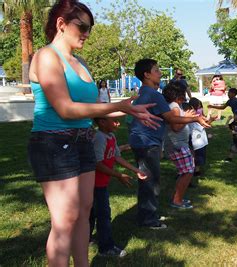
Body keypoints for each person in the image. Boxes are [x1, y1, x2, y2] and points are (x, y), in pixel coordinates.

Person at [27, 1, 158, 266]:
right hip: (53, 143)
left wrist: (129, 111)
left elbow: (94, 109)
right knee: (64, 220)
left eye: (90, 28)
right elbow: (65, 108)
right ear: (61, 25)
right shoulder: (46, 56)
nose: (87, 33)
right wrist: (116, 105)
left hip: (83, 140)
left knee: (84, 212)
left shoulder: (80, 62)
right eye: (82, 27)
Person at [129, 59, 210, 225]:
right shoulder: (153, 94)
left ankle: (147, 215)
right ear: (147, 75)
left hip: (142, 141)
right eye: (157, 70)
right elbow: (172, 118)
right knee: (150, 181)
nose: (160, 73)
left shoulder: (143, 93)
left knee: (147, 179)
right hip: (147, 143)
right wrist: (195, 119)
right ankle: (149, 219)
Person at [89, 113, 147, 258]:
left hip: (101, 183)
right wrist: (119, 175)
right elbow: (97, 164)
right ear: (102, 122)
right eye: (114, 121)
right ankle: (106, 248)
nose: (118, 124)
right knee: (103, 215)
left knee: (92, 213)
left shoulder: (110, 136)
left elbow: (116, 156)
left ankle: (86, 239)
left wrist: (136, 170)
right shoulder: (99, 138)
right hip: (94, 184)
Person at [162, 82, 197, 209]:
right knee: (187, 172)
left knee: (186, 171)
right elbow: (176, 127)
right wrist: (188, 117)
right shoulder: (174, 107)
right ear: (178, 94)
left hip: (179, 144)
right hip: (176, 145)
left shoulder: (177, 105)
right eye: (184, 91)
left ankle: (178, 197)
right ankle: (177, 201)